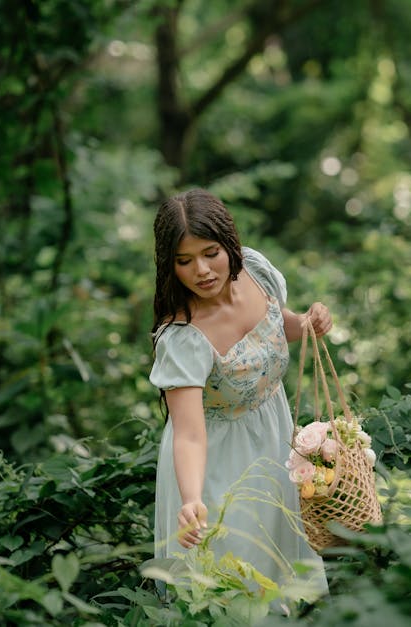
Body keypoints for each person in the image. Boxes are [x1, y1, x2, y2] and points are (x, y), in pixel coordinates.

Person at [147, 188, 331, 602]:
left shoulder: (255, 272)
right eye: (184, 261)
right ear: (170, 265)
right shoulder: (184, 337)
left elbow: (276, 327)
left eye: (210, 253)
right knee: (236, 568)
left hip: (274, 435)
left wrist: (308, 323)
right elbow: (188, 434)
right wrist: (191, 499)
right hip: (218, 461)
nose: (202, 270)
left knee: (284, 556)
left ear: (228, 244)